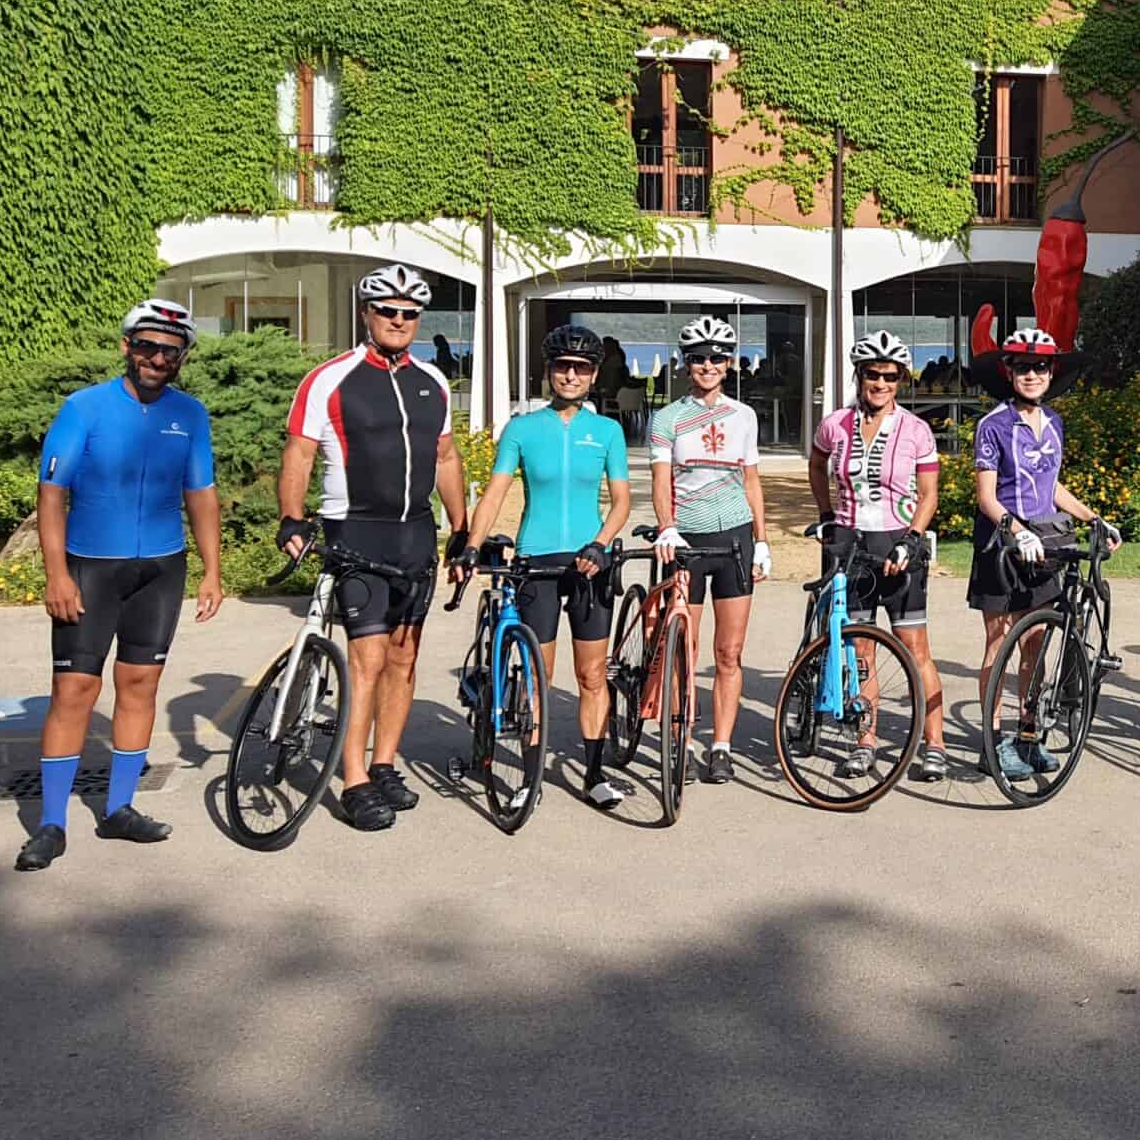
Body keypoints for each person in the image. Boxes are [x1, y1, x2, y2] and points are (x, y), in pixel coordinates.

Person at [17, 300, 222, 871]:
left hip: (161, 568)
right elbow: (52, 496)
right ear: (128, 348)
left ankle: (119, 809)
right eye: (147, 347)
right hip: (89, 568)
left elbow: (201, 495)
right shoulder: (84, 407)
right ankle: (52, 823)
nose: (158, 358)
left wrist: (212, 570)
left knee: (139, 685)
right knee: (74, 692)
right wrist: (56, 574)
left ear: (181, 357)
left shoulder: (191, 414)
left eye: (170, 351)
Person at [277, 264, 469, 833]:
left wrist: (461, 531)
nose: (400, 320)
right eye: (389, 310)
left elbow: (446, 457)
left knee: (405, 656)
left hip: (414, 532)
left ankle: (384, 762)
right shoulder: (330, 379)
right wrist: (290, 517)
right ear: (367, 313)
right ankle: (354, 778)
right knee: (367, 659)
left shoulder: (431, 381)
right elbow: (300, 452)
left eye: (410, 313)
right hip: (354, 529)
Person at [464, 324, 633, 809]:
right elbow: (496, 491)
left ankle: (595, 774)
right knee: (539, 674)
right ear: (548, 372)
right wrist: (472, 545)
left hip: (591, 562)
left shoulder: (606, 431)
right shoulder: (522, 429)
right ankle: (529, 778)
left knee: (593, 675)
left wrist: (602, 544)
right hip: (536, 558)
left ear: (594, 374)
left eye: (581, 368)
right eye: (562, 367)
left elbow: (621, 501)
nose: (571, 375)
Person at [970, 327, 1116, 780]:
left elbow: (1051, 486)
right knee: (1000, 641)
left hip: (1044, 543)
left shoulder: (1053, 422)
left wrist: (1094, 519)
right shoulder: (993, 424)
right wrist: (1015, 530)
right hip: (1001, 543)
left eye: (1039, 367)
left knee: (1036, 646)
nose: (1031, 374)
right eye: (1021, 367)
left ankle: (1028, 735)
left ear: (1052, 372)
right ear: (1007, 372)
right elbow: (986, 497)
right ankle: (991, 743)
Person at [809, 331, 950, 781]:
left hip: (898, 542)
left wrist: (913, 537)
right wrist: (827, 514)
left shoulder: (916, 429)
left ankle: (935, 745)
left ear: (901, 380)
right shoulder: (834, 424)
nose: (881, 383)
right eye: (873, 374)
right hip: (851, 544)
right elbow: (816, 464)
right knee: (861, 651)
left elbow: (929, 494)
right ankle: (866, 741)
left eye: (891, 376)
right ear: (859, 375)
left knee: (916, 650)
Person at [649, 316, 772, 786]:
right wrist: (667, 526)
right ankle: (680, 731)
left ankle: (721, 745)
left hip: (735, 538)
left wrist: (762, 540)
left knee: (730, 651)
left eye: (717, 357)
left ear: (729, 364)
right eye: (698, 357)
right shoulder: (668, 418)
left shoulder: (744, 415)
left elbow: (752, 478)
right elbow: (661, 479)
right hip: (689, 539)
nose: (708, 365)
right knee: (686, 648)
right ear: (686, 364)